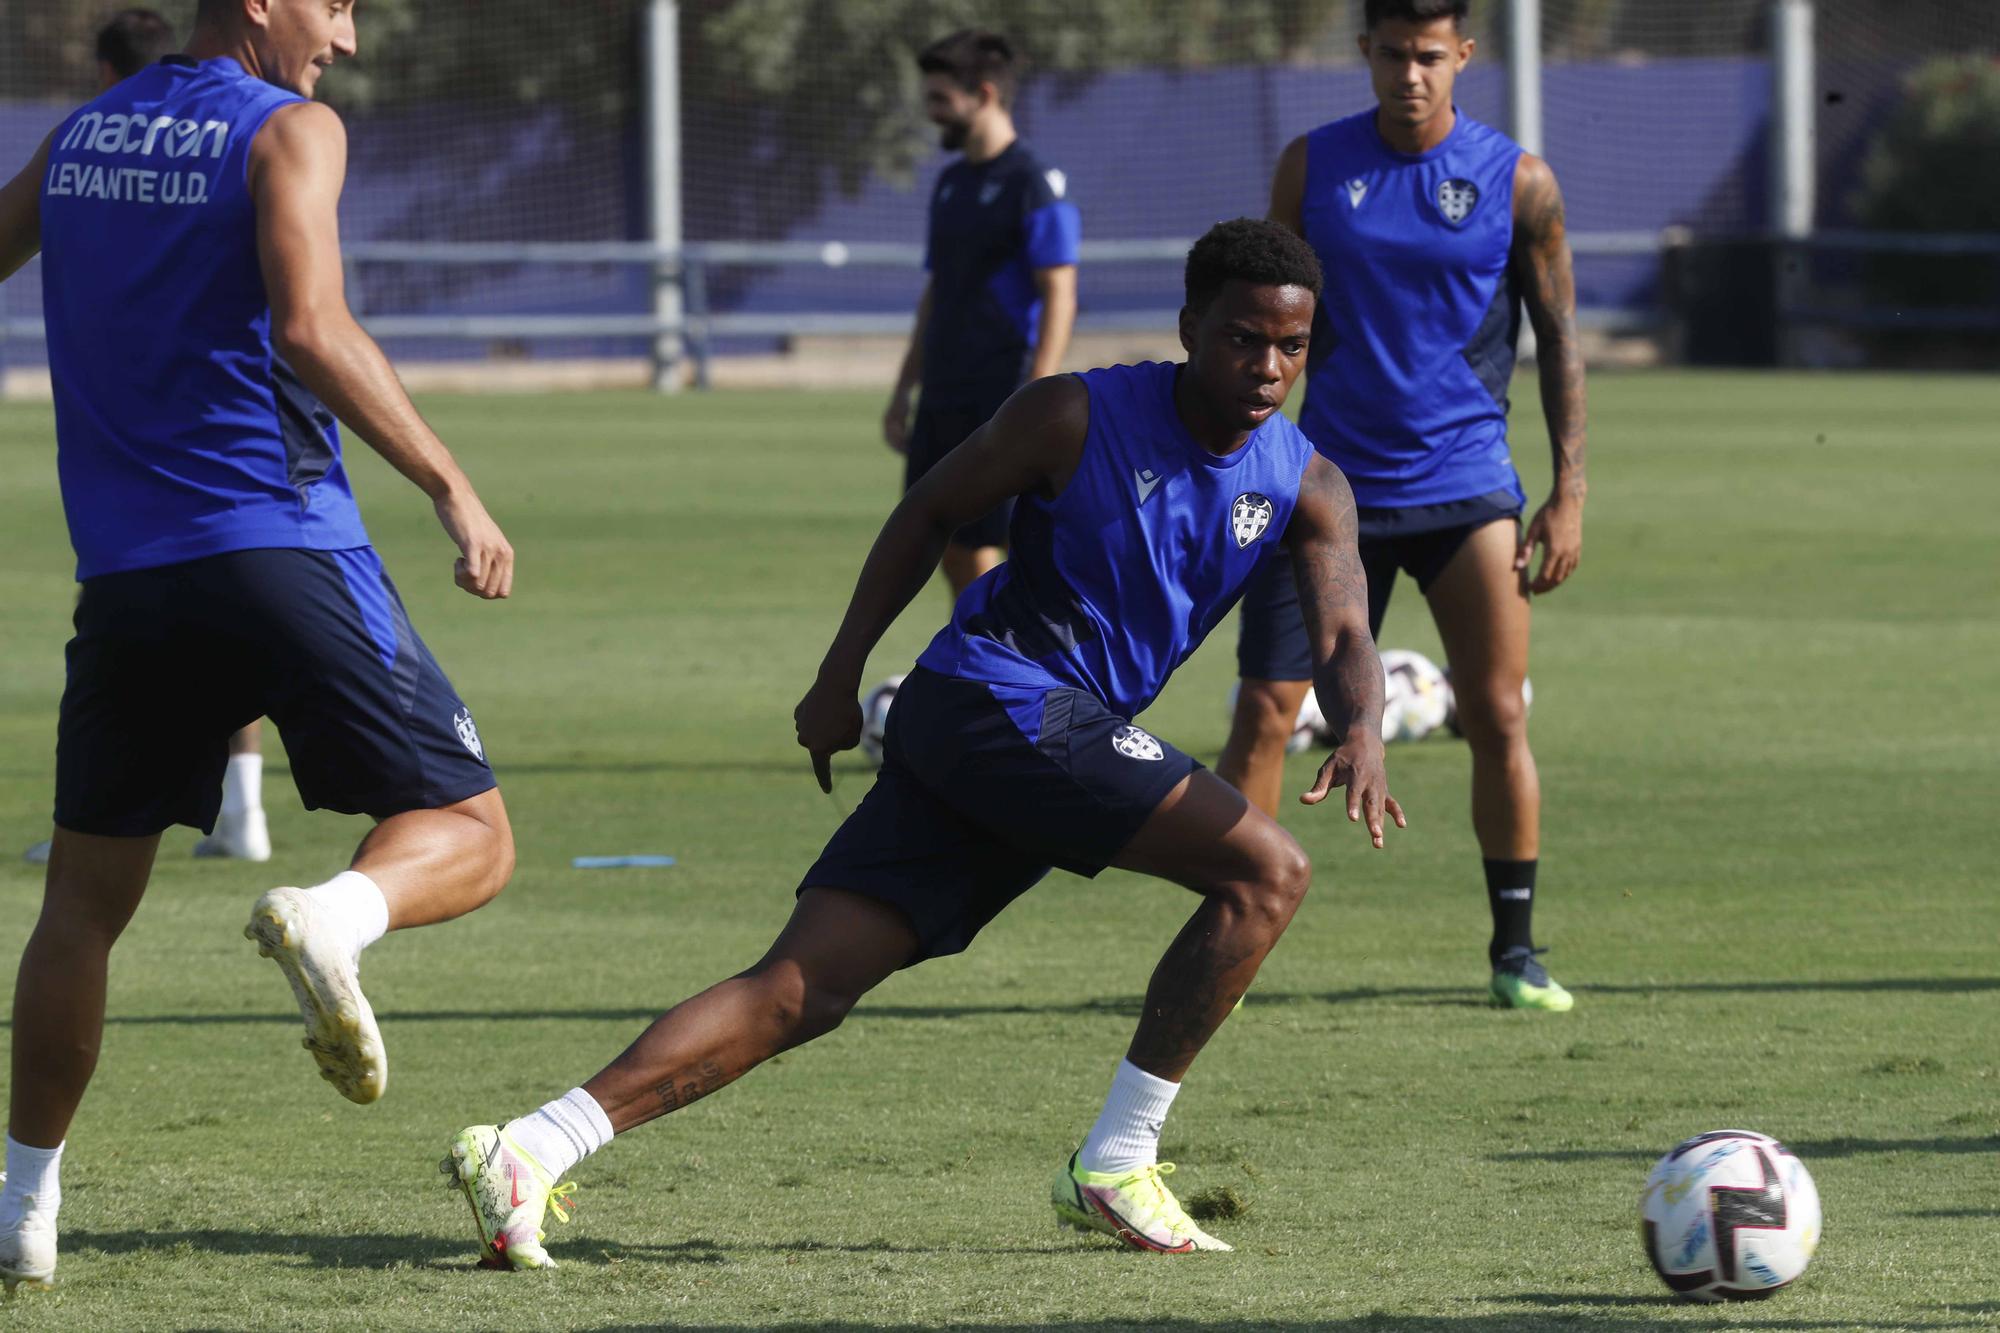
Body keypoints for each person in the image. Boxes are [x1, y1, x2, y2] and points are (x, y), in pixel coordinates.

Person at [443, 219, 1403, 1269]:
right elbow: (928, 510)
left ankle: (529, 1147)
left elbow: (1346, 630)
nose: (1265, 367)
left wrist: (1360, 722)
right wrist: (837, 676)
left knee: (802, 988)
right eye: (1239, 338)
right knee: (1268, 871)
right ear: (1188, 327)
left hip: (1016, 734)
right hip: (1000, 701)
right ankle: (1116, 1162)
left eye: (1289, 347)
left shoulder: (1307, 482)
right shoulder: (1072, 412)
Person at [0, 0, 519, 1292]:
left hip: (127, 581)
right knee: (472, 830)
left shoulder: (77, 139)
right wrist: (451, 481)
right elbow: (311, 326)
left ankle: (21, 1204)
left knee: (78, 910)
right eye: (332, 5)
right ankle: (331, 918)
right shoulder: (289, 129)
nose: (342, 38)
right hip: (281, 542)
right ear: (257, 2)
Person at [1215, 0, 1588, 1012]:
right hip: (1322, 492)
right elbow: (1259, 322)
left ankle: (1513, 952)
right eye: (1391, 54)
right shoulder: (1311, 166)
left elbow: (1555, 336)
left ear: (1462, 55)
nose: (1409, 74)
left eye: (1429, 56)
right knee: (1262, 712)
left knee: (1496, 713)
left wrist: (1567, 492)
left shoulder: (1517, 179)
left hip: (1465, 490)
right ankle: (1225, 937)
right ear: (1365, 54)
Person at [22, 9, 271, 870]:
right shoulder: (259, 128)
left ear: (106, 72)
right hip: (255, 504)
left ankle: (317, 892)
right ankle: (253, 817)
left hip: (128, 530)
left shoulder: (82, 141)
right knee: (460, 816)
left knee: (81, 897)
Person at [881, 29, 1079, 599]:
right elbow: (937, 290)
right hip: (944, 390)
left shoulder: (1033, 183)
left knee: (1015, 538)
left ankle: (1019, 664)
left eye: (941, 99)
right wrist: (903, 390)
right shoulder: (950, 183)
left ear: (985, 94)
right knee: (938, 535)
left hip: (1003, 389)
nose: (931, 112)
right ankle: (983, 655)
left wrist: (1039, 390)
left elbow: (1060, 290)